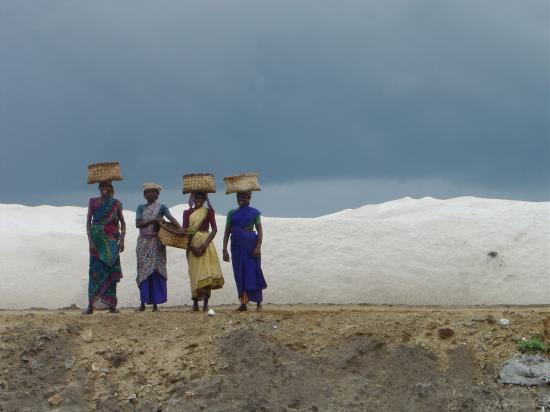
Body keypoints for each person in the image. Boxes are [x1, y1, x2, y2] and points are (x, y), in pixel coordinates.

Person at [135, 183, 181, 312]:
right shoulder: (140, 208)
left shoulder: (162, 207)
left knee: (156, 271)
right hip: (143, 243)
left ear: (157, 194)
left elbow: (170, 218)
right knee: (143, 272)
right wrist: (154, 221)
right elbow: (138, 224)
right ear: (144, 195)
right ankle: (143, 303)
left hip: (157, 244)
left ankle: (155, 304)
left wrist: (180, 228)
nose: (150, 194)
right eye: (148, 192)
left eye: (153, 192)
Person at [85, 181, 125, 314]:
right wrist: (90, 241)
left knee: (110, 271)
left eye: (107, 187)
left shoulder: (116, 203)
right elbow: (88, 223)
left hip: (111, 242)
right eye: (102, 187)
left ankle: (112, 305)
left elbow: (123, 223)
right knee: (94, 272)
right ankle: (91, 305)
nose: (104, 189)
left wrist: (122, 241)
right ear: (99, 188)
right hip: (96, 242)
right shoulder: (93, 201)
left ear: (111, 188)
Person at [222, 191, 267, 311]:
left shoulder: (254, 213)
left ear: (249, 197)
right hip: (236, 247)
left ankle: (258, 303)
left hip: (251, 247)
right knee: (239, 273)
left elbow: (260, 231)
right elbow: (227, 232)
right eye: (238, 197)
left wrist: (258, 247)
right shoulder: (231, 213)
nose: (241, 199)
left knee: (254, 271)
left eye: (243, 197)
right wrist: (224, 249)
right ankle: (243, 303)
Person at [182, 191, 224, 311]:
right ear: (193, 198)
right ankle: (195, 302)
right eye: (197, 197)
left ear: (205, 199)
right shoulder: (187, 213)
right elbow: (185, 232)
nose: (199, 199)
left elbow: (214, 230)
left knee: (206, 273)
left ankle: (205, 303)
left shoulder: (209, 212)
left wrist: (205, 245)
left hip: (206, 245)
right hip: (192, 245)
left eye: (201, 197)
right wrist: (191, 247)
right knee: (194, 273)